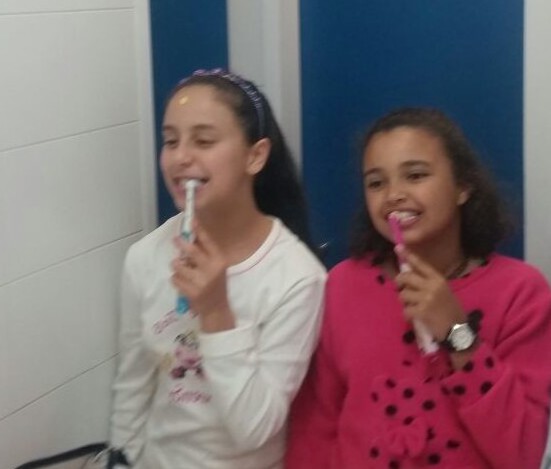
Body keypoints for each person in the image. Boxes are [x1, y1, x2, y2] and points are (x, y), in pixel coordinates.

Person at [285, 107, 551, 469]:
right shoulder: (343, 285)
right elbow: (315, 428)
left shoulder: (521, 293)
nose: (394, 194)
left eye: (415, 175)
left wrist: (456, 332)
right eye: (376, 183)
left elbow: (522, 453)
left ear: (462, 186)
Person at [108, 68, 326, 469]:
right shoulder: (144, 258)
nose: (180, 157)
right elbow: (132, 387)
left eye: (204, 141)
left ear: (255, 156)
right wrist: (122, 459)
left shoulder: (298, 278)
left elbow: (255, 428)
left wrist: (216, 313)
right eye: (170, 141)